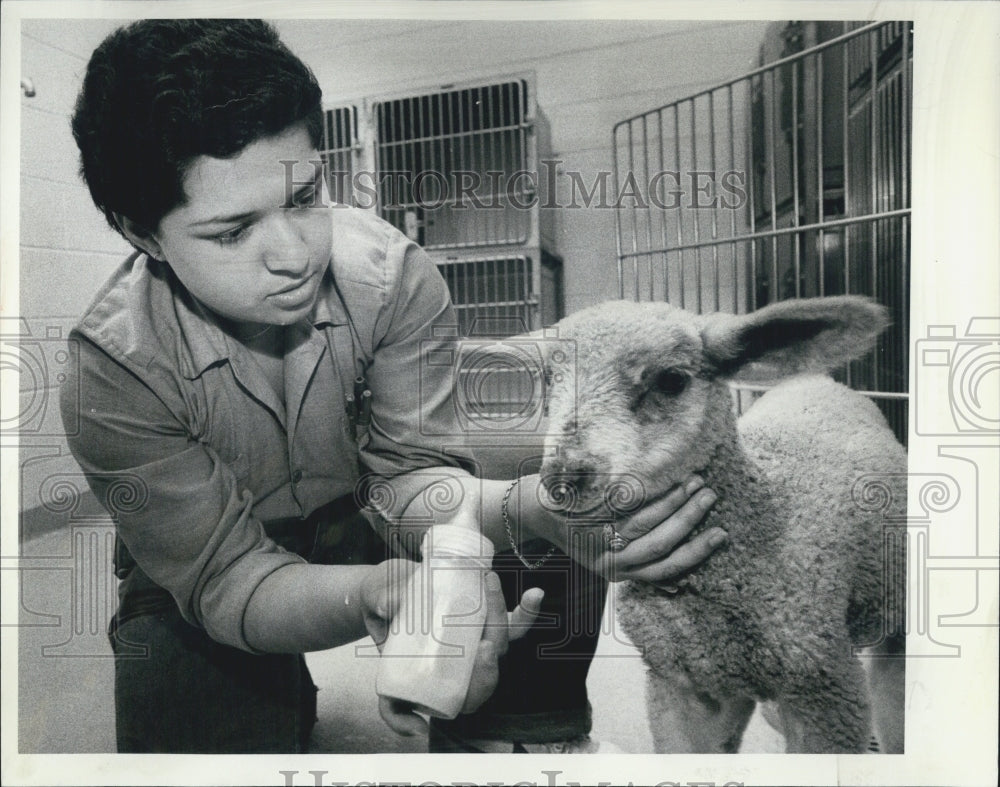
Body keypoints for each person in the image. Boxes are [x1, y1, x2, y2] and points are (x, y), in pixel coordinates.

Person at [62, 18, 726, 753]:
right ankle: (276, 689)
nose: (293, 252)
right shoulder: (114, 369)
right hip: (216, 556)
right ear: (141, 233)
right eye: (231, 232)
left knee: (542, 472)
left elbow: (412, 480)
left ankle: (522, 731)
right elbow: (225, 579)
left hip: (363, 510)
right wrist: (376, 593)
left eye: (305, 194)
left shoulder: (391, 276)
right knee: (194, 728)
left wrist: (536, 510)